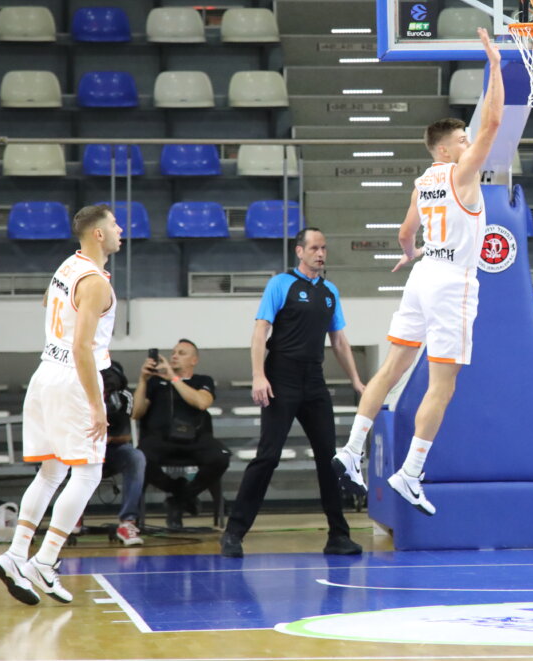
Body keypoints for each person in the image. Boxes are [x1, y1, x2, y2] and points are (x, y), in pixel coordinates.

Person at [332, 27, 504, 516]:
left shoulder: (423, 182)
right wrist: (494, 67)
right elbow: (492, 124)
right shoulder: (459, 175)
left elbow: (406, 234)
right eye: (462, 140)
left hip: (423, 276)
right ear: (446, 150)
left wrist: (409, 254)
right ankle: (410, 473)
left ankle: (350, 451)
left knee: (389, 370)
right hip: (451, 283)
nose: (470, 144)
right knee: (441, 386)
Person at [0, 205, 122, 605]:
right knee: (87, 475)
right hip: (73, 379)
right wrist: (97, 405)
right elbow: (83, 347)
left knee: (51, 473)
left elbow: (47, 301)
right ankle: (44, 561)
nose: (121, 230)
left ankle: (17, 554)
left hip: (47, 371)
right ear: (98, 234)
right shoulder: (96, 282)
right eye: (115, 224)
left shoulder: (67, 266)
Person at [221, 228, 366, 558]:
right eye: (314, 247)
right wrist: (259, 376)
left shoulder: (330, 292)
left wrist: (357, 380)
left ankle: (338, 536)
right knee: (268, 456)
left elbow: (340, 342)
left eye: (324, 248)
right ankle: (234, 533)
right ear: (299, 252)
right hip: (280, 375)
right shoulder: (281, 284)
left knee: (329, 459)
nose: (320, 253)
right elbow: (260, 332)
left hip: (314, 379)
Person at [132, 340, 230, 530]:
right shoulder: (155, 383)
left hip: (195, 439)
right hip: (160, 440)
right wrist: (143, 380)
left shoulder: (203, 380)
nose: (174, 355)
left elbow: (202, 403)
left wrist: (174, 379)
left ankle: (177, 501)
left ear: (194, 360)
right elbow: (136, 413)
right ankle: (180, 493)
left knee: (220, 457)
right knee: (139, 458)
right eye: (174, 352)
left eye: (182, 353)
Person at [101, 360, 145, 546]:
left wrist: (108, 439)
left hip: (113, 449)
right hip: (80, 450)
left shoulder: (123, 396)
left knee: (136, 457)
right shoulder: (75, 391)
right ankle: (72, 520)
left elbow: (125, 435)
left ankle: (127, 522)